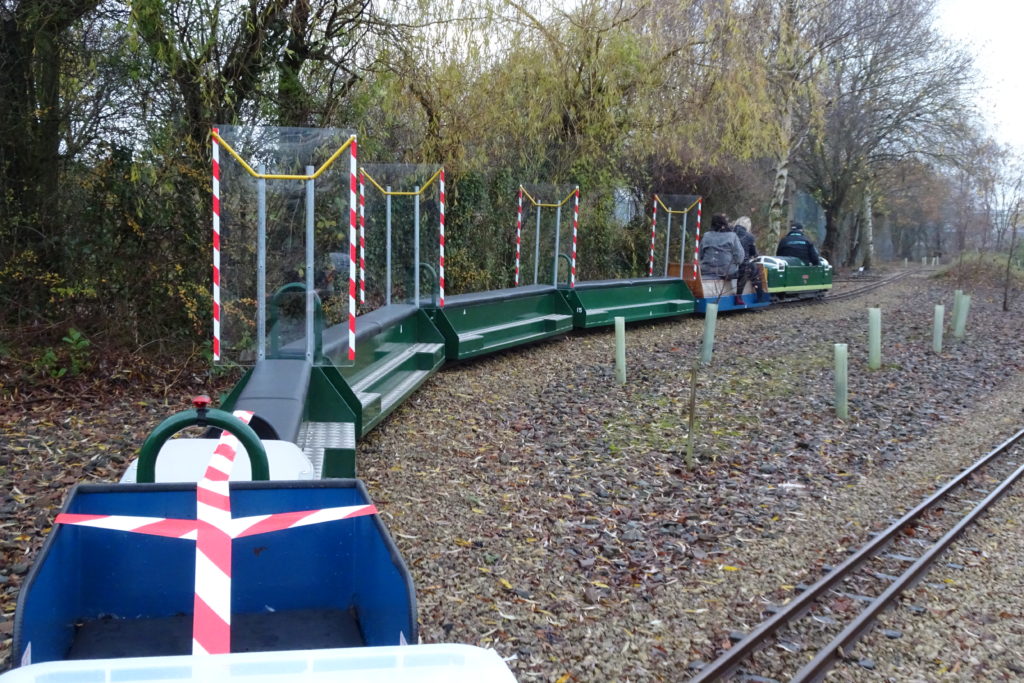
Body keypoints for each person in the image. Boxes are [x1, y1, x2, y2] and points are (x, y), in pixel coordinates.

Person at [699, 214, 745, 290]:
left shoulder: (706, 236)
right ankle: (739, 295)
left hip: (706, 270)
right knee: (746, 269)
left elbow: (700, 255)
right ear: (724, 224)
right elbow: (740, 258)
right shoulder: (732, 236)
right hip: (727, 271)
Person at [733, 216, 765, 305]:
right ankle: (760, 296)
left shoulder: (730, 233)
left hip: (729, 265)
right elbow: (754, 254)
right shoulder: (749, 236)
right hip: (742, 266)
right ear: (747, 226)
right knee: (756, 270)